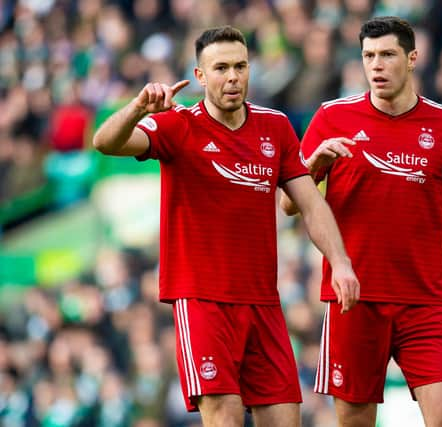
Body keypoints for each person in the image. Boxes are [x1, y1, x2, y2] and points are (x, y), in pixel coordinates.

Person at [93, 26, 360, 427]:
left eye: (240, 66)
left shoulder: (275, 127)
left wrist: (339, 262)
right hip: (203, 300)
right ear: (200, 76)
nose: (233, 76)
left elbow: (309, 203)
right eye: (221, 68)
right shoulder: (178, 125)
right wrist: (137, 109)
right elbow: (105, 142)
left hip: (263, 302)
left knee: (288, 419)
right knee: (225, 418)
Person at [280, 16, 442, 427]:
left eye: (387, 55)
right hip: (353, 300)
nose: (376, 65)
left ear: (412, 59)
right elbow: (290, 207)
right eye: (368, 56)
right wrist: (314, 164)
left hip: (425, 301)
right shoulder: (331, 118)